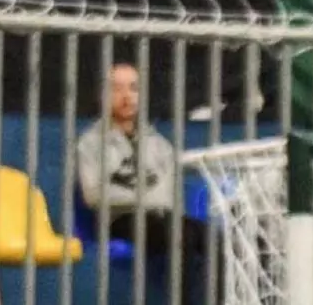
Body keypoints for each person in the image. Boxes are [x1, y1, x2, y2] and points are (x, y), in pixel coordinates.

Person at [76, 63, 218, 305]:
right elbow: (94, 196)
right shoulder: (89, 143)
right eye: (117, 88)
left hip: (160, 217)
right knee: (180, 235)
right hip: (119, 219)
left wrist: (143, 197)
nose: (126, 96)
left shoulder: (158, 143)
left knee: (214, 238)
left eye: (133, 88)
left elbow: (169, 193)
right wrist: (144, 198)